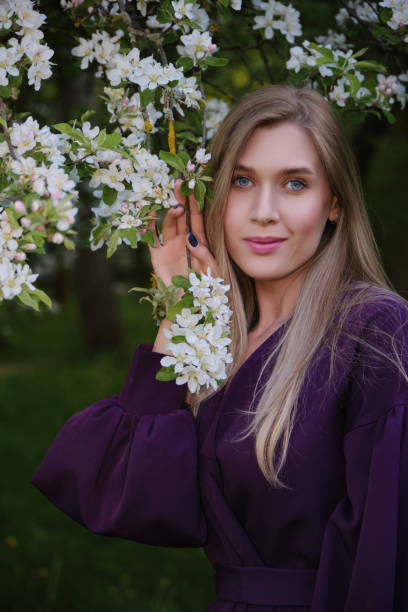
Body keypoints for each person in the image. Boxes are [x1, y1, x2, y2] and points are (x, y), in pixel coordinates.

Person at [31, 85, 408, 611]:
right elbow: (131, 497)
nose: (263, 211)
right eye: (241, 181)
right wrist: (178, 314)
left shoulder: (373, 330)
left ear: (336, 205)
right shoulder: (219, 336)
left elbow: (385, 560)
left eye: (295, 184)